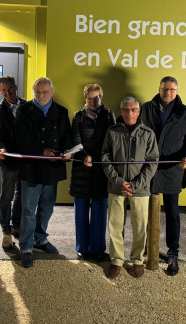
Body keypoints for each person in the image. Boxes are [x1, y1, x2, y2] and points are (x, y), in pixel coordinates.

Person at [140, 76, 186, 276]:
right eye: (165, 89)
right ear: (159, 89)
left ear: (177, 90)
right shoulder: (146, 108)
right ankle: (146, 249)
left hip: (173, 170)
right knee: (145, 212)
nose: (169, 92)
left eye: (172, 89)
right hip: (148, 169)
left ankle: (172, 253)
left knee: (173, 213)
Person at [14, 77, 72, 268]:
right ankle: (26, 246)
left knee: (47, 208)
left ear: (52, 92)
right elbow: (20, 140)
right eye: (38, 92)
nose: (41, 96)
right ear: (33, 92)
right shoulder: (23, 111)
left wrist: (67, 153)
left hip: (52, 169)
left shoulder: (62, 112)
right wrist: (41, 152)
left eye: (45, 92)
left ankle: (40, 238)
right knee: (29, 210)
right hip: (31, 169)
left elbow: (66, 138)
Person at [102, 96, 159, 279]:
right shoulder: (112, 131)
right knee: (115, 226)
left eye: (133, 109)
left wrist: (135, 184)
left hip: (140, 189)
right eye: (125, 110)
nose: (129, 113)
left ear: (138, 111)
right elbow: (105, 157)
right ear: (121, 112)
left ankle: (137, 260)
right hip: (116, 187)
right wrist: (119, 182)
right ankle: (117, 260)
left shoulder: (148, 133)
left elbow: (152, 162)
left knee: (140, 226)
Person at [70, 83, 116, 261]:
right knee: (80, 212)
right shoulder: (78, 116)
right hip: (82, 169)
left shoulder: (109, 115)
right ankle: (82, 247)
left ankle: (97, 248)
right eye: (90, 98)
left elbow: (112, 141)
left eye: (96, 98)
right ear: (85, 98)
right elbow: (75, 139)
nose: (93, 101)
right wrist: (84, 156)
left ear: (101, 97)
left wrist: (101, 159)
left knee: (99, 212)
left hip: (102, 170)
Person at [0, 75, 26, 249]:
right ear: (0, 91)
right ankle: (6, 231)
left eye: (10, 89)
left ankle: (16, 225)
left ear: (16, 86)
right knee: (6, 196)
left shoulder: (27, 105)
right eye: (3, 90)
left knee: (21, 193)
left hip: (25, 160)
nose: (7, 93)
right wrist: (1, 148)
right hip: (8, 160)